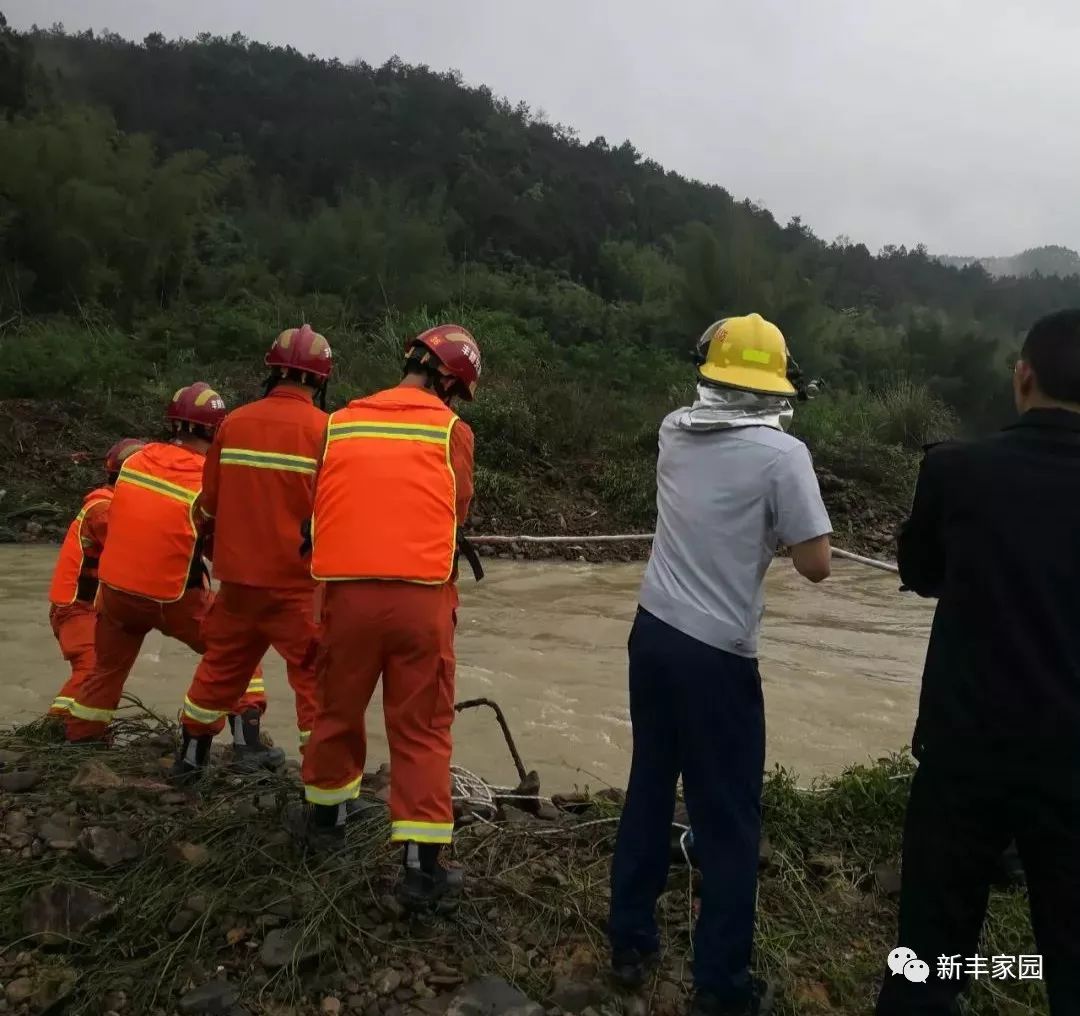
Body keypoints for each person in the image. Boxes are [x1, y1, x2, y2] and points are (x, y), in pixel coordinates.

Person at [607, 314, 833, 1016]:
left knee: (650, 782)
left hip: (653, 635)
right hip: (718, 656)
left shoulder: (674, 430)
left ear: (709, 372)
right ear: (775, 384)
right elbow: (818, 563)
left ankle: (630, 942)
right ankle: (721, 985)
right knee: (729, 817)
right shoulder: (783, 456)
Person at [877, 309, 1080, 1016]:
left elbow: (923, 573)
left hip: (966, 751)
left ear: (1023, 377)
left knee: (928, 954)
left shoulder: (957, 469)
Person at [300, 323, 479, 912]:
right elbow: (455, 515)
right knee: (422, 730)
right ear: (451, 381)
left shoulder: (343, 420)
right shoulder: (452, 430)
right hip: (419, 600)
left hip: (344, 595)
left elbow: (324, 499)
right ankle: (419, 869)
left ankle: (324, 828)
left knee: (335, 712)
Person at [65, 383, 272, 760]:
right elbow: (220, 543)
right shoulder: (210, 476)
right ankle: (248, 744)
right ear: (215, 430)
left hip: (117, 596)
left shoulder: (134, 462)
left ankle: (81, 740)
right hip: (173, 597)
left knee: (106, 670)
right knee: (239, 651)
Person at [173, 326, 332, 779]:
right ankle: (325, 791)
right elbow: (334, 513)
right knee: (316, 684)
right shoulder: (328, 431)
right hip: (299, 587)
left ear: (272, 371)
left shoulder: (234, 424)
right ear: (320, 380)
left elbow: (209, 504)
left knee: (220, 670)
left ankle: (189, 760)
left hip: (238, 584)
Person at [46, 438, 145, 717]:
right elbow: (135, 548)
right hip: (75, 607)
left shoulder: (112, 505)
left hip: (92, 608)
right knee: (90, 666)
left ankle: (88, 727)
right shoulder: (103, 509)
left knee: (105, 672)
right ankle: (55, 728)